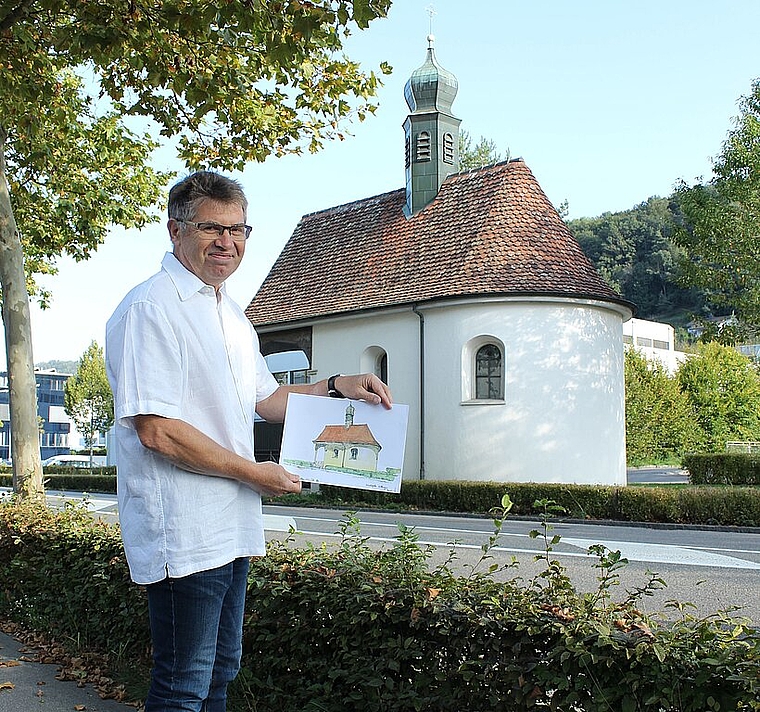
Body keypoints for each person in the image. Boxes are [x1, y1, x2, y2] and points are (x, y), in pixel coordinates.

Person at [105, 170, 392, 712]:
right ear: (175, 231)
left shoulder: (231, 314)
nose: (228, 243)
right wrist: (254, 472)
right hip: (184, 528)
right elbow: (157, 431)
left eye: (238, 230)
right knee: (183, 683)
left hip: (231, 524)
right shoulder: (151, 308)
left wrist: (336, 387)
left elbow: (267, 399)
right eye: (212, 228)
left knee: (219, 672)